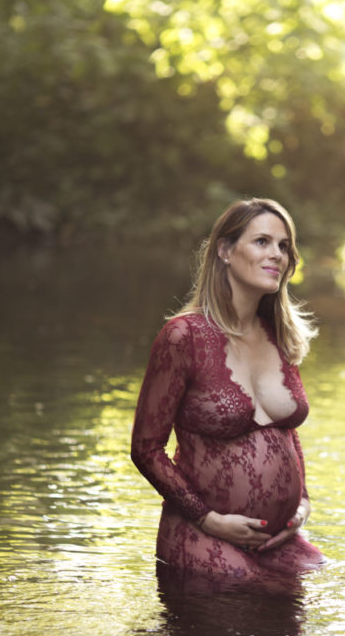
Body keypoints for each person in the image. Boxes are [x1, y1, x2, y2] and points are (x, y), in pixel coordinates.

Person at [131, 198, 324, 587]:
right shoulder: (183, 337)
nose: (277, 254)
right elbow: (146, 448)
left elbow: (286, 433)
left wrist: (302, 503)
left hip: (279, 539)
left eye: (284, 246)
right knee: (242, 598)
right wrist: (207, 518)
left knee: (314, 586)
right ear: (224, 250)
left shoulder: (280, 335)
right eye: (262, 241)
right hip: (205, 536)